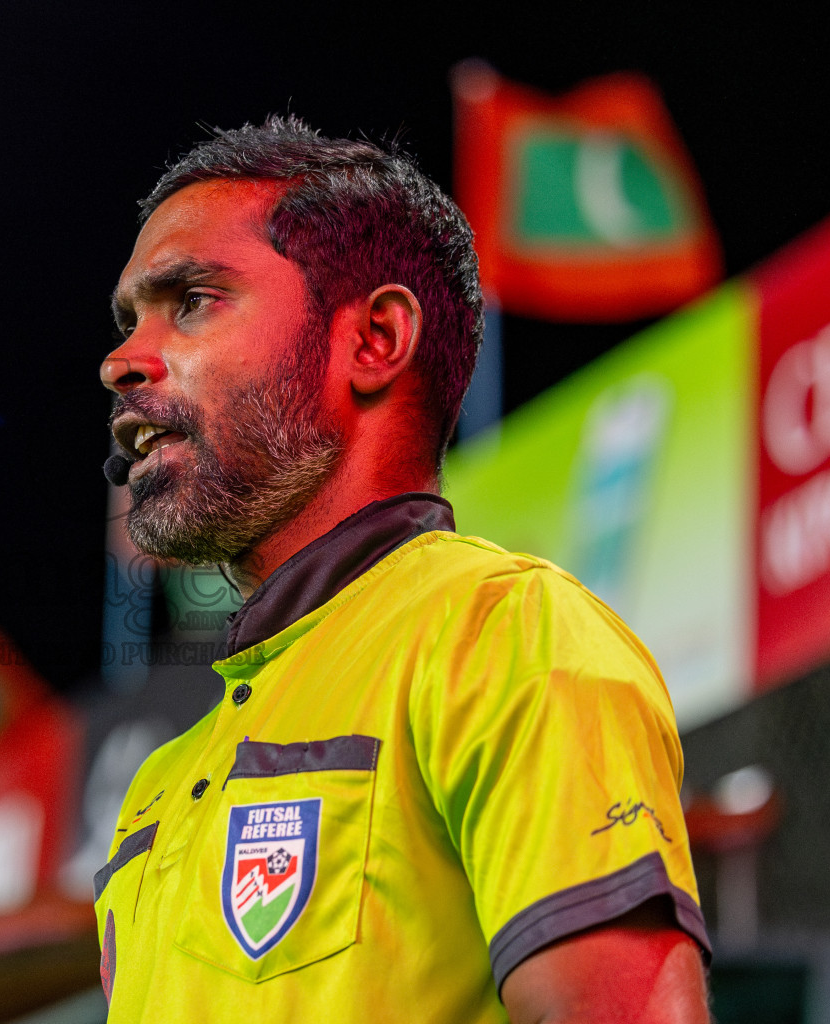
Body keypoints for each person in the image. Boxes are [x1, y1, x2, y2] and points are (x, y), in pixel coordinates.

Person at [93, 116, 710, 1023]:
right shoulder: (156, 788)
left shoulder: (505, 634)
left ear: (375, 340)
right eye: (127, 320)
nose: (120, 362)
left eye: (190, 300)